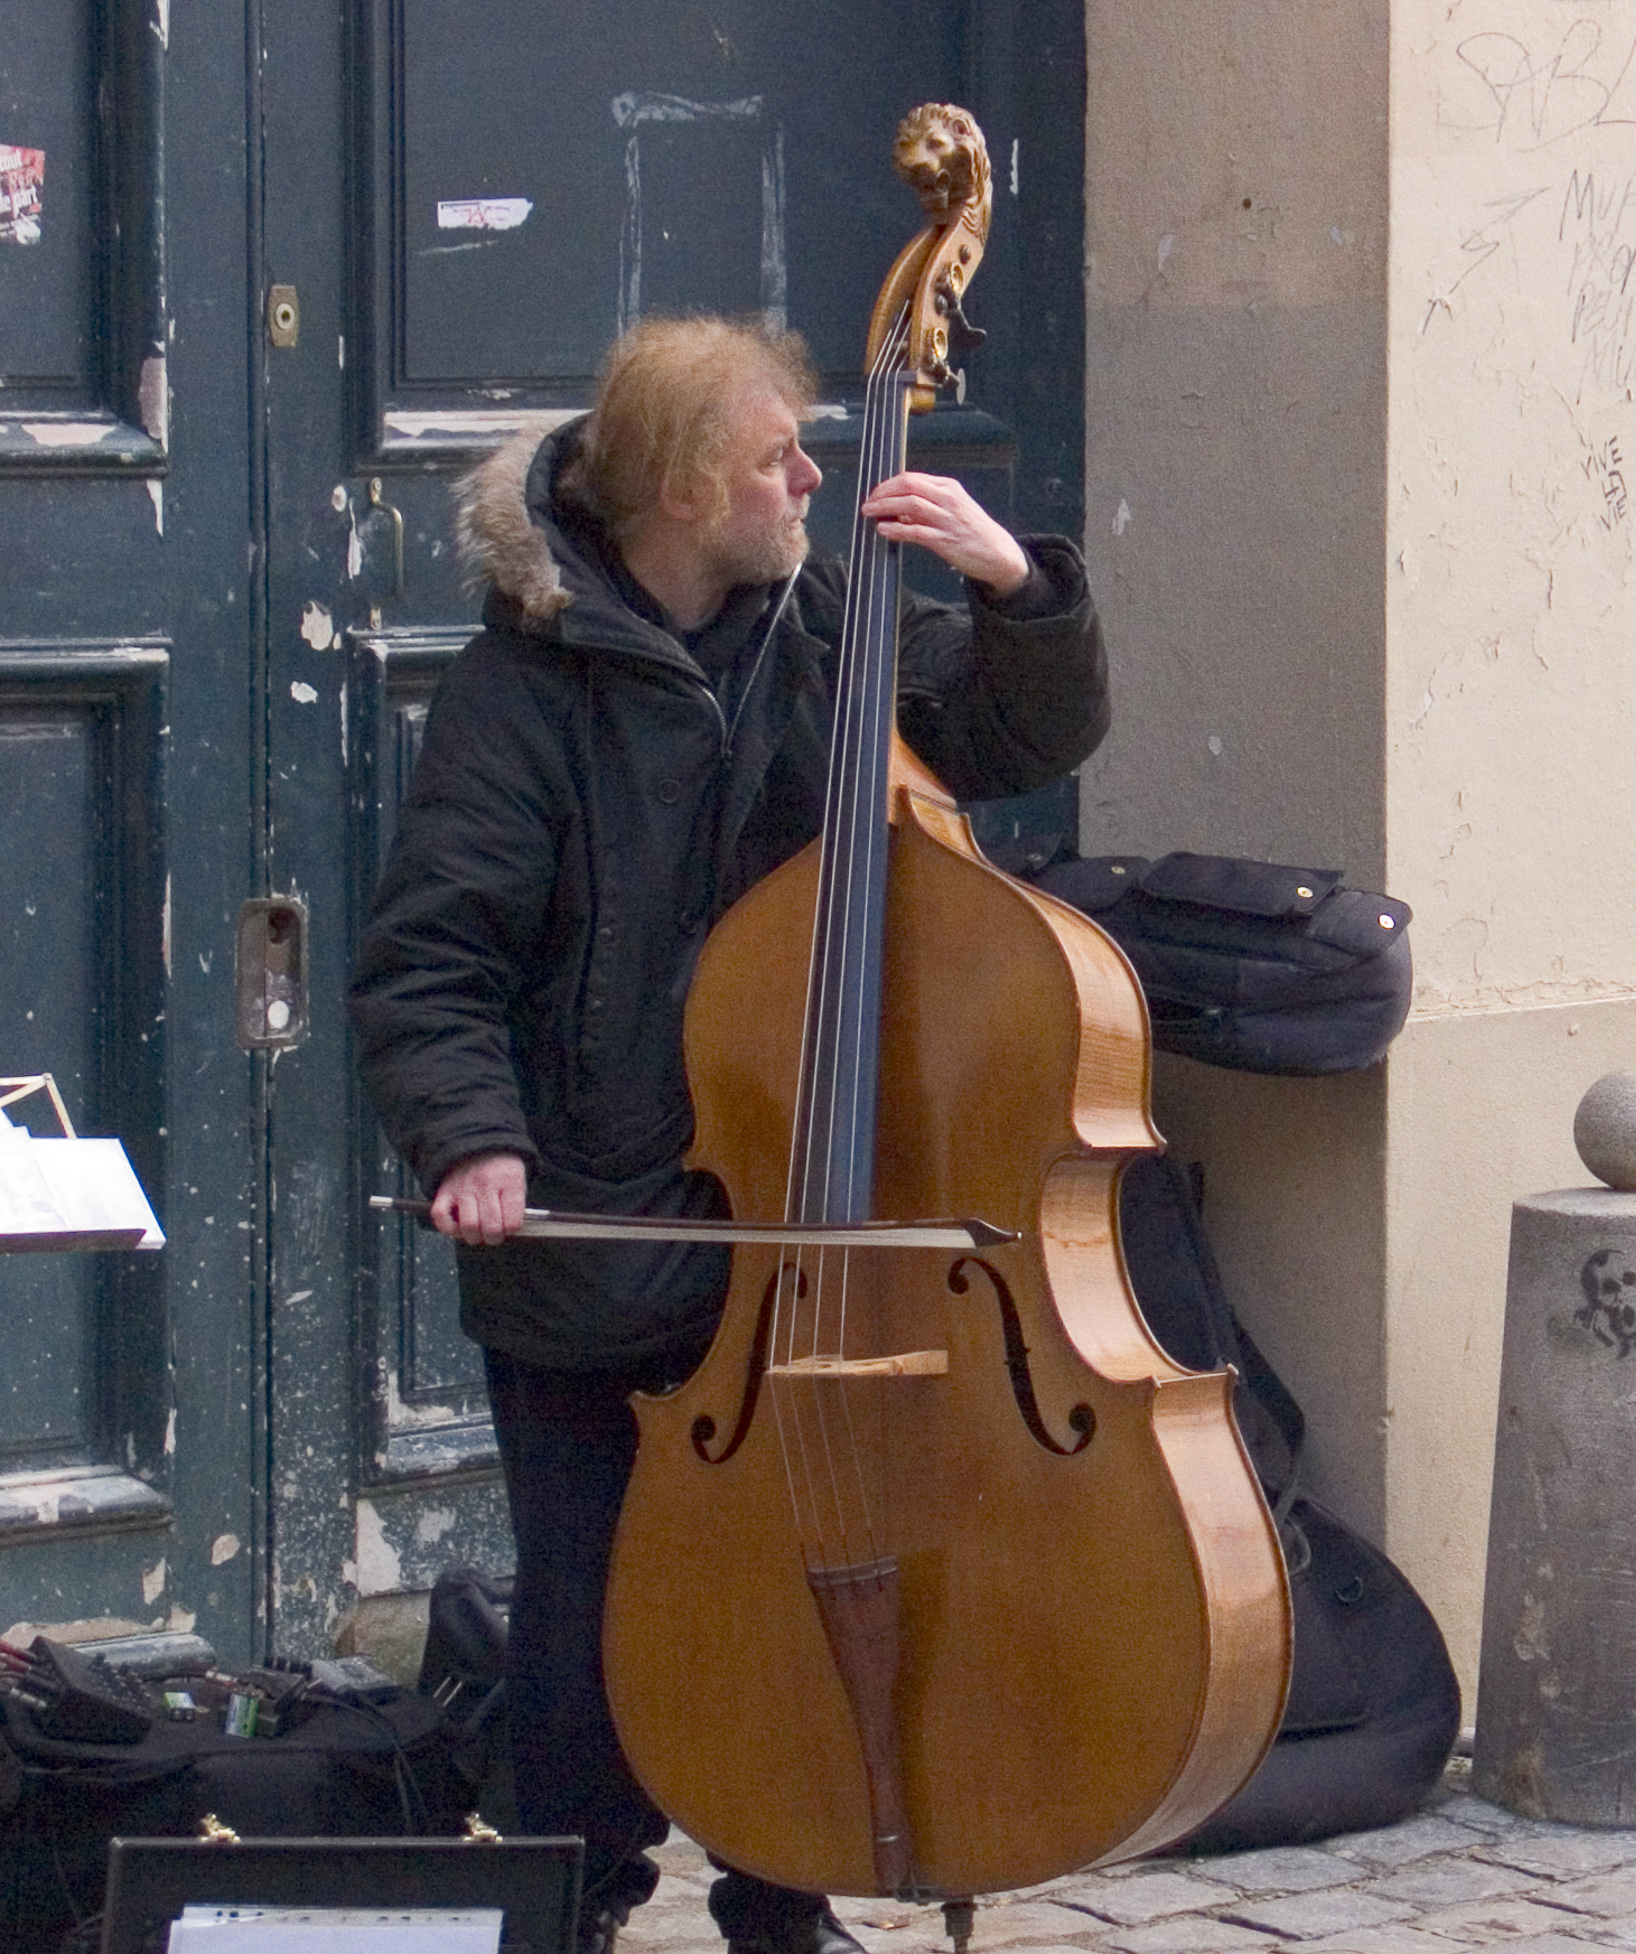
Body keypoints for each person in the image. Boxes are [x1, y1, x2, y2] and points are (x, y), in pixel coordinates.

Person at [349, 315, 1108, 1954]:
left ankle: (788, 1884)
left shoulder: (816, 622)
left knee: (814, 1563)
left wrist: (1014, 591)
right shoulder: (523, 690)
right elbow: (431, 956)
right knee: (590, 1609)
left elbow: (1010, 741)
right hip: (609, 1219)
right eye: (779, 456)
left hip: (812, 1212)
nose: (812, 481)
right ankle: (579, 1895)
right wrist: (472, 1141)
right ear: (690, 486)